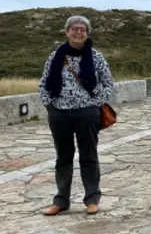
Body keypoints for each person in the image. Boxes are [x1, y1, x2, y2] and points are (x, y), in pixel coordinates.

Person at [39, 15, 115, 216]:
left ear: (87, 33)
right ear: (67, 32)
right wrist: (49, 104)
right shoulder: (55, 56)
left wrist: (95, 104)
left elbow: (108, 84)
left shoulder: (96, 57)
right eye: (75, 28)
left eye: (83, 29)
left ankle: (92, 198)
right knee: (63, 157)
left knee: (88, 156)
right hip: (59, 113)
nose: (79, 32)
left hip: (87, 114)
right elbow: (44, 83)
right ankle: (61, 200)